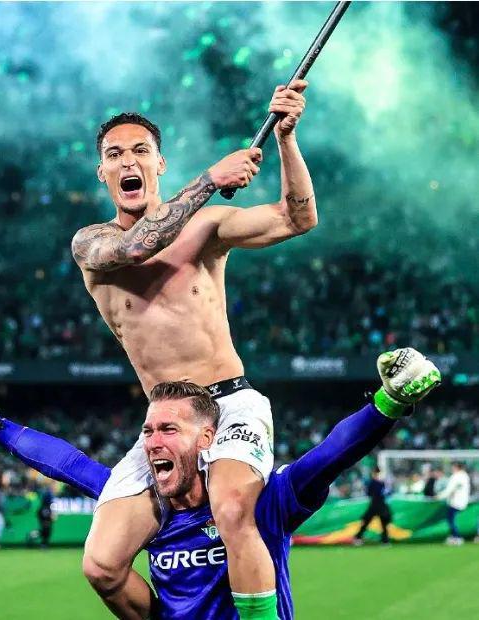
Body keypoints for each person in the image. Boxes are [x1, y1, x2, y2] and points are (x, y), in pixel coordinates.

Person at [0, 347, 441, 618]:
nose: (153, 442)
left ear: (207, 440)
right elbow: (66, 462)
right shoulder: (146, 510)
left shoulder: (259, 502)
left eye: (169, 430)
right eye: (148, 431)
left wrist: (389, 403)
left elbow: (328, 456)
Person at [69, 80, 315, 618]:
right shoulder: (91, 244)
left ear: (159, 164)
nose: (128, 161)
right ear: (102, 172)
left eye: (140, 151)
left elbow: (297, 218)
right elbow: (139, 245)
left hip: (229, 405)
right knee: (102, 565)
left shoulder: (208, 227)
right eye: (114, 154)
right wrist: (210, 179)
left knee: (232, 509)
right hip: (165, 421)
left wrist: (286, 139)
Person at [352, 466, 391, 546]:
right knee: (367, 522)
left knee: (383, 523)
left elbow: (384, 493)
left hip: (380, 504)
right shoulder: (372, 483)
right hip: (375, 504)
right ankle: (358, 537)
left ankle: (385, 540)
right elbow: (369, 493)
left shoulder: (381, 483)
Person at [437, 461, 470, 545]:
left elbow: (449, 490)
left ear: (456, 467)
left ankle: (457, 537)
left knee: (451, 520)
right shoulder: (465, 476)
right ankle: (453, 536)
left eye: (453, 467)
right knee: (451, 519)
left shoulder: (456, 476)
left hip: (455, 502)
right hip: (462, 501)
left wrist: (439, 496)